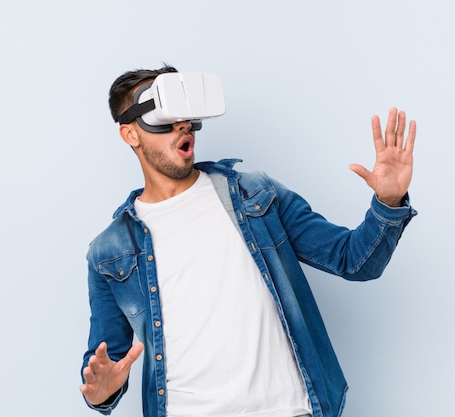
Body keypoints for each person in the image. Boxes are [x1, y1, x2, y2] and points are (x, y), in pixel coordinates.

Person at [80, 65, 417, 417]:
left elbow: (354, 260)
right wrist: (100, 394)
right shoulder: (108, 251)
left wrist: (388, 203)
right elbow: (105, 365)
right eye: (162, 115)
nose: (181, 124)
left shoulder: (256, 194)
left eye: (184, 114)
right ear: (130, 134)